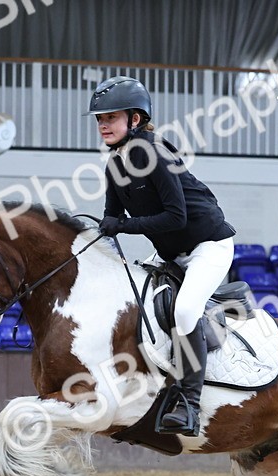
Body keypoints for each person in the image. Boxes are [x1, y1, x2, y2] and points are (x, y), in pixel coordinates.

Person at [88, 75, 236, 437]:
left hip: (208, 247)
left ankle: (190, 404)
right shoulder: (115, 165)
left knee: (185, 311)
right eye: (100, 119)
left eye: (111, 117)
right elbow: (112, 219)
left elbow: (176, 217)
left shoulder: (155, 152)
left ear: (135, 119)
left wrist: (123, 226)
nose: (103, 125)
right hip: (170, 253)